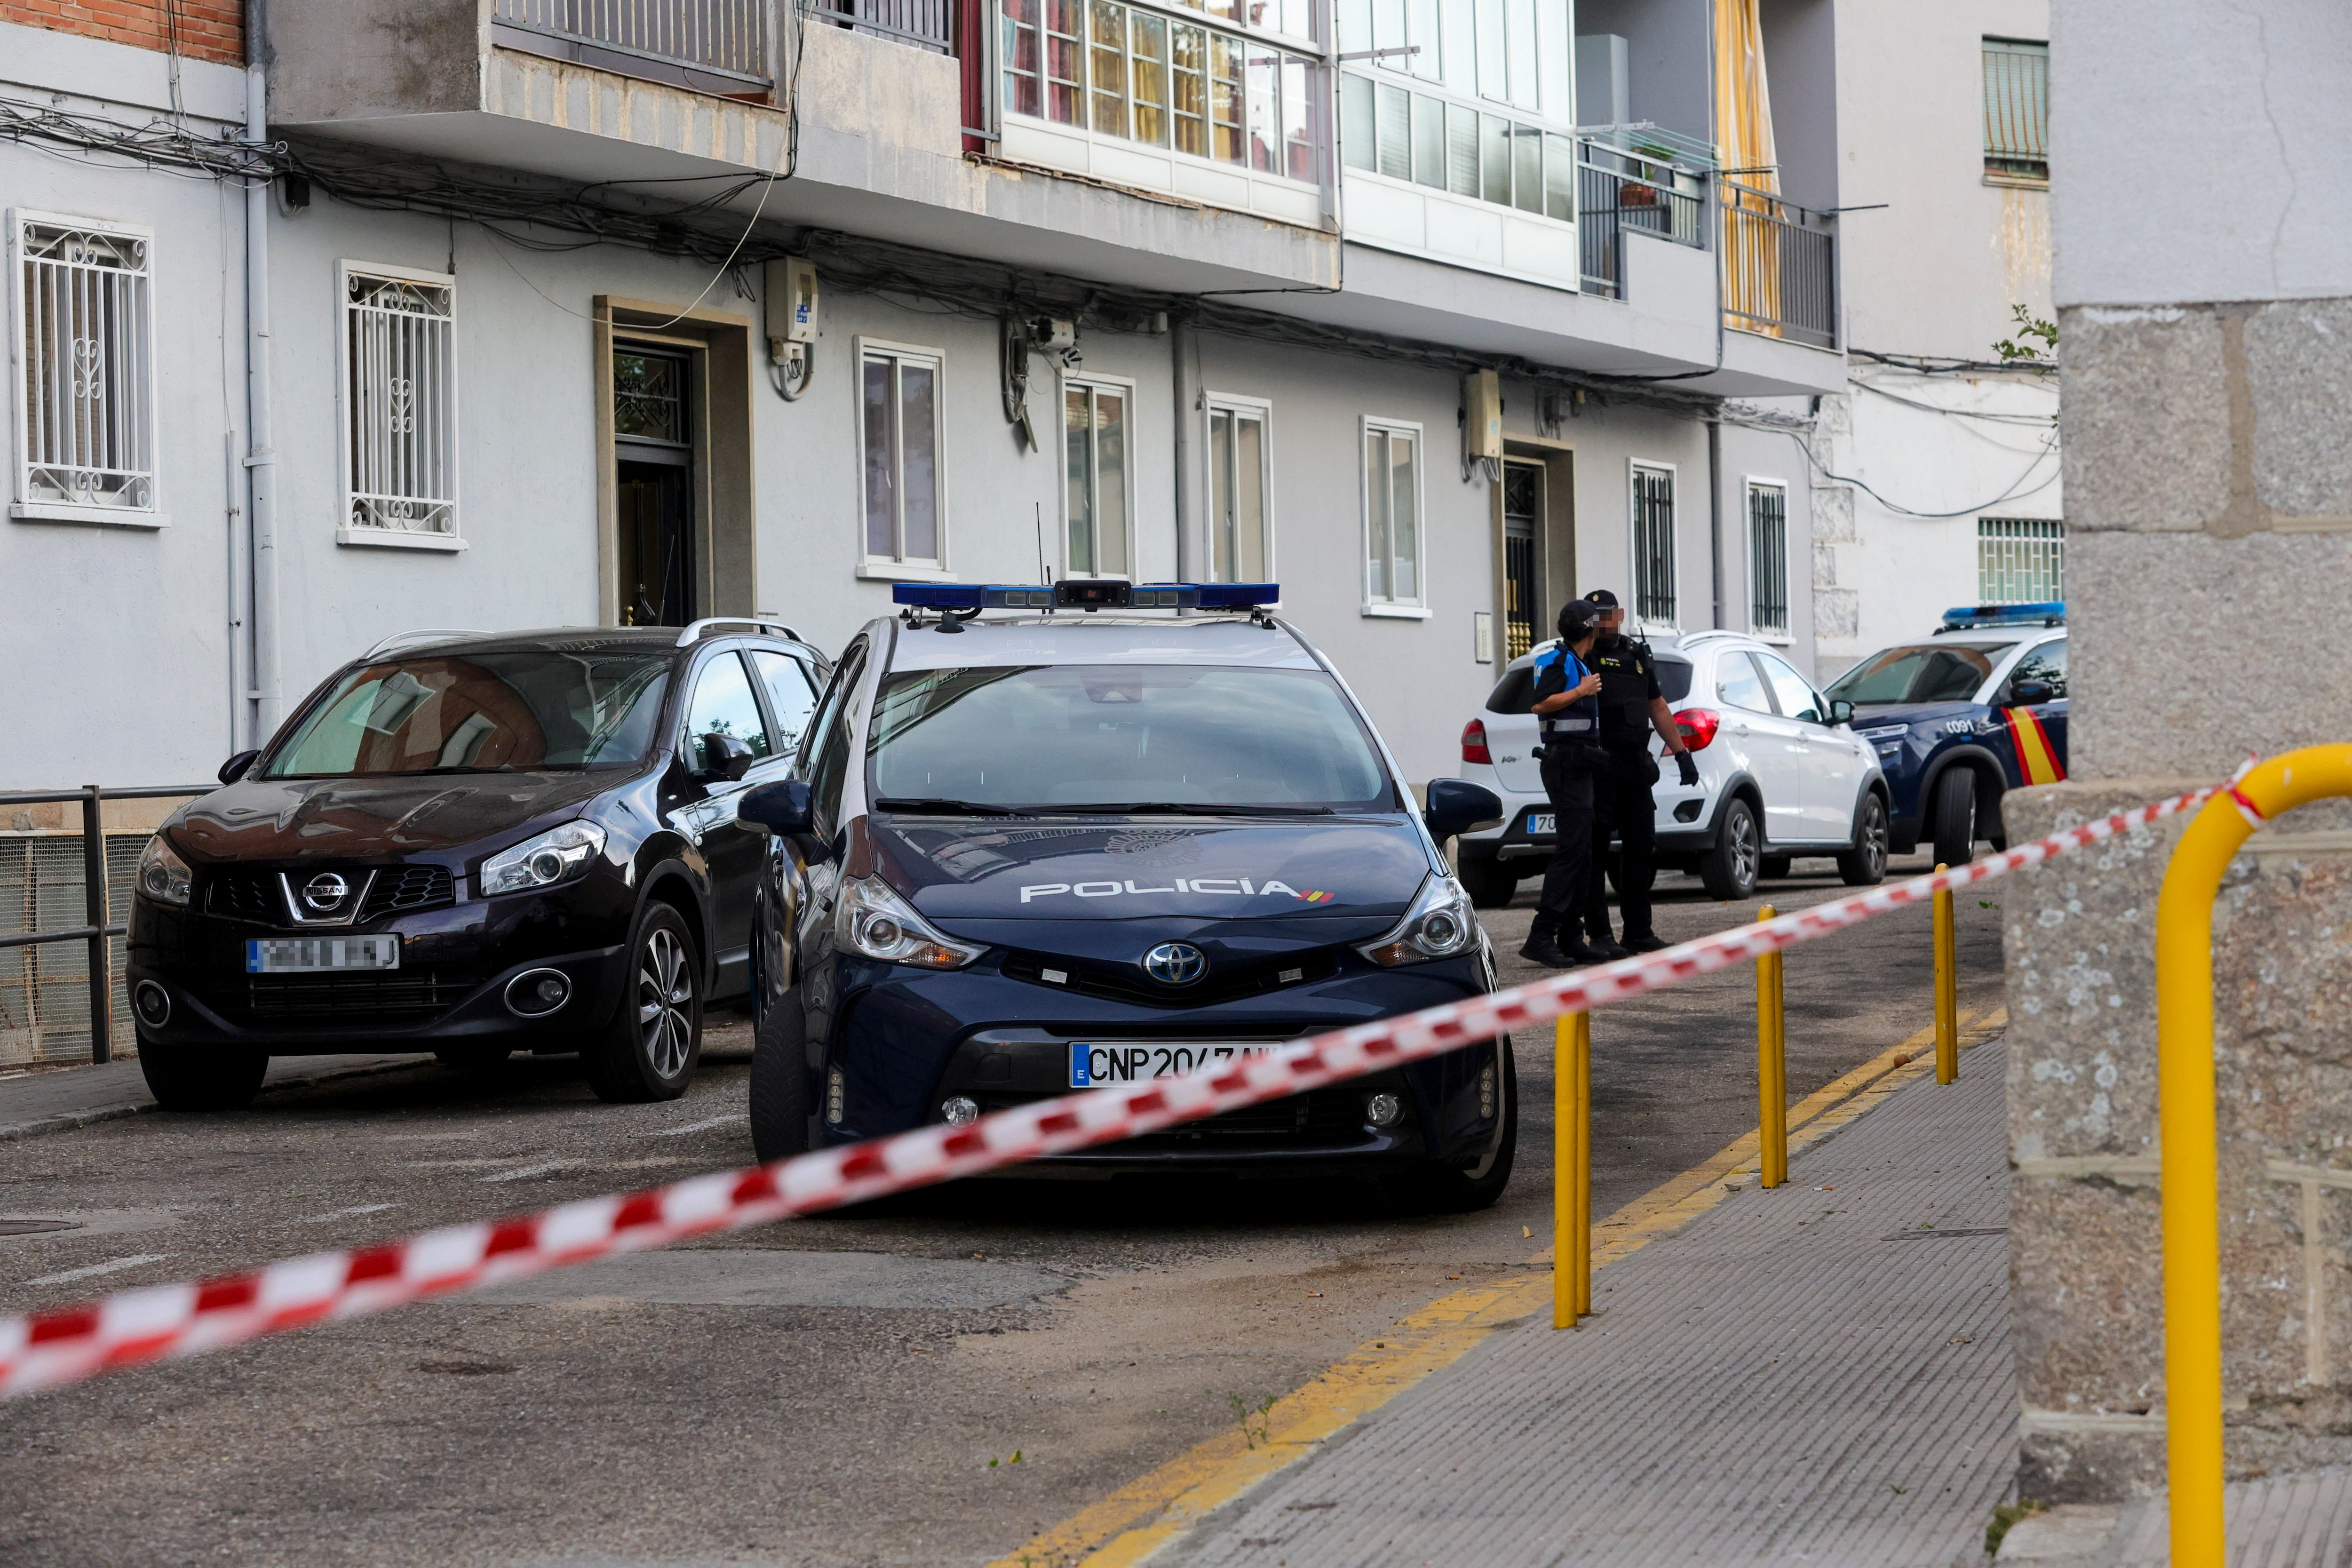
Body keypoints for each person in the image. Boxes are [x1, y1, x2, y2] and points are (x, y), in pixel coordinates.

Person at [1581, 589, 1702, 955]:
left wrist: (1682, 753)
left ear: (1619, 615)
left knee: (1640, 849)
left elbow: (1658, 706)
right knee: (1595, 853)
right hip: (1600, 765)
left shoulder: (1636, 655)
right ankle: (1600, 934)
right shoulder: (1582, 657)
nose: (1604, 622)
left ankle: (1638, 931)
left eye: (1609, 614)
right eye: (1596, 616)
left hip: (1635, 765)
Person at [1519, 599, 1610, 969]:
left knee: (1583, 851)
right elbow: (1540, 705)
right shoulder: (1561, 662)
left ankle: (1572, 934)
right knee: (1572, 850)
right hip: (1566, 764)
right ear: (1591, 631)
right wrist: (1582, 691)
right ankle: (1542, 935)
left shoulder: (1573, 660)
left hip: (1577, 764)